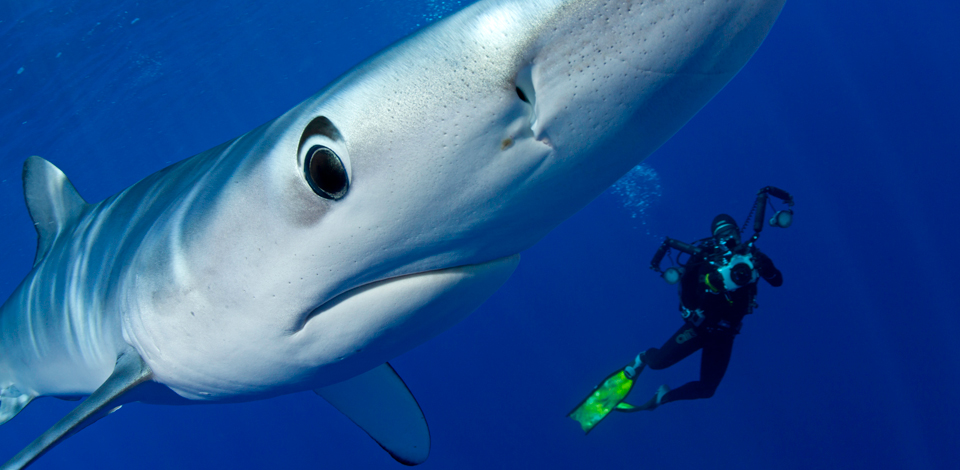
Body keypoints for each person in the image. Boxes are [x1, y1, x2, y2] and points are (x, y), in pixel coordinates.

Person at [622, 213, 782, 411]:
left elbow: (777, 281)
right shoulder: (703, 258)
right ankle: (643, 358)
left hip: (725, 335)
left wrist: (767, 269)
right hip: (700, 327)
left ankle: (662, 397)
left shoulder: (753, 257)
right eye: (722, 235)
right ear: (715, 239)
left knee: (707, 389)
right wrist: (710, 285)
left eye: (731, 232)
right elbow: (688, 297)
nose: (728, 239)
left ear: (739, 233)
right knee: (657, 363)